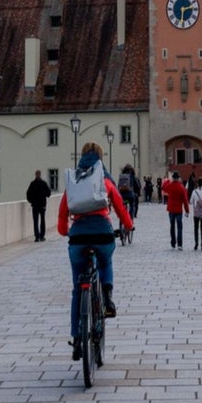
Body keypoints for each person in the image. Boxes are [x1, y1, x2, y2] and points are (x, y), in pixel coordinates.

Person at [57, 142, 134, 360]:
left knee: (76, 289)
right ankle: (107, 297)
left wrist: (65, 231)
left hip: (79, 237)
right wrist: (128, 224)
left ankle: (77, 338)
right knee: (105, 261)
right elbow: (119, 204)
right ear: (101, 158)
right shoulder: (104, 179)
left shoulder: (74, 181)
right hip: (102, 233)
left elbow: (63, 213)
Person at [162, 169, 189, 249]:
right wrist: (187, 210)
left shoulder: (170, 185)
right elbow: (185, 200)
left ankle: (173, 243)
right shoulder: (181, 187)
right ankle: (180, 244)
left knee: (172, 226)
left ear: (173, 178)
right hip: (179, 210)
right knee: (179, 227)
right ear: (179, 178)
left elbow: (163, 188)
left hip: (171, 209)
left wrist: (168, 180)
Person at [25, 169, 52, 241]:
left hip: (35, 205)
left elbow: (28, 194)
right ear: (40, 174)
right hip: (42, 205)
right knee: (42, 221)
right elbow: (49, 193)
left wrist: (32, 201)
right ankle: (41, 236)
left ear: (36, 175)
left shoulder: (32, 184)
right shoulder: (43, 183)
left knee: (36, 221)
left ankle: (37, 236)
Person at [190, 176, 202, 251]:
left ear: (197, 183)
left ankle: (196, 244)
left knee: (196, 228)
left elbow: (191, 201)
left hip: (196, 213)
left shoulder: (194, 192)